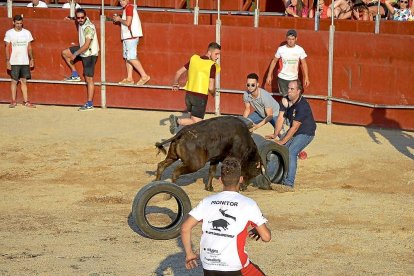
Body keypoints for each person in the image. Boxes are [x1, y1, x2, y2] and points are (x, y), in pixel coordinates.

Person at [181, 158, 271, 276]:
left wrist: (189, 254)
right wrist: (260, 229)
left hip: (208, 264)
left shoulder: (207, 201)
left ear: (220, 180)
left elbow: (185, 228)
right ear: (241, 179)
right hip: (234, 264)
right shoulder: (248, 204)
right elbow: (266, 237)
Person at [266, 80, 316, 188]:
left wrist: (282, 141)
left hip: (306, 132)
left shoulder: (302, 106)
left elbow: (294, 127)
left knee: (291, 152)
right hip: (295, 131)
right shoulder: (285, 100)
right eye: (288, 88)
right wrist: (275, 134)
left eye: (292, 89)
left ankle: (289, 183)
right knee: (281, 149)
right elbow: (280, 118)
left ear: (298, 91)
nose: (289, 91)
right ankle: (278, 178)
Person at [168, 42, 221, 135]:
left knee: (191, 120)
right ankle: (177, 121)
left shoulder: (194, 59)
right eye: (216, 54)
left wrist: (175, 83)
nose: (218, 57)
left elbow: (178, 72)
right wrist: (213, 93)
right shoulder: (211, 65)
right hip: (200, 97)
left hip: (188, 95)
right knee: (197, 122)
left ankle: (188, 137)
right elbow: (211, 86)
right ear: (209, 52)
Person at [61, 8, 99, 111]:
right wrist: (70, 17)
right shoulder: (81, 20)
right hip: (83, 49)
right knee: (65, 52)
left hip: (90, 54)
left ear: (85, 17)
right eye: (78, 18)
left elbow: (87, 45)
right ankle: (75, 74)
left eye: (82, 18)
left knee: (89, 79)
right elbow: (76, 16)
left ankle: (90, 103)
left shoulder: (89, 28)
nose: (80, 20)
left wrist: (75, 54)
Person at [113, 0, 150, 86]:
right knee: (127, 57)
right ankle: (129, 78)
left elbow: (127, 23)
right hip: (128, 36)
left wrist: (119, 19)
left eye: (123, 0)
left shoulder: (129, 8)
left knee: (131, 57)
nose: (121, 2)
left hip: (131, 36)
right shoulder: (127, 8)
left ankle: (144, 76)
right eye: (120, 0)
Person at [265, 29, 309, 97]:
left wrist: (306, 77)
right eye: (289, 39)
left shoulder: (300, 49)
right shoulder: (281, 49)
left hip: (294, 78)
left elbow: (304, 63)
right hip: (283, 79)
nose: (290, 41)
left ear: (296, 39)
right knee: (286, 98)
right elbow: (274, 61)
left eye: (292, 39)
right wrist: (269, 75)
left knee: (295, 97)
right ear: (286, 39)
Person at [4, 15, 36, 108]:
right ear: (13, 23)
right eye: (17, 23)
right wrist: (7, 61)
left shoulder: (27, 33)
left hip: (24, 60)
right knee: (14, 81)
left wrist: (31, 59)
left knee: (23, 81)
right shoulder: (9, 33)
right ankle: (13, 101)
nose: (19, 25)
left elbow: (29, 47)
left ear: (22, 23)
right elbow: (7, 47)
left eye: (20, 23)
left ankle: (26, 101)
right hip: (14, 60)